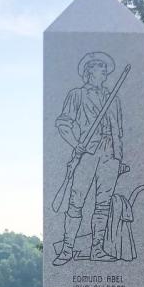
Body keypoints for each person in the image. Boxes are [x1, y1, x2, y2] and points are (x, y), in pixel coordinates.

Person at [53, 51, 124, 264]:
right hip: (87, 153)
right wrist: (77, 145)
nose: (103, 70)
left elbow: (118, 130)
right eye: (98, 66)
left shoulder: (114, 98)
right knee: (76, 202)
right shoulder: (77, 94)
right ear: (88, 71)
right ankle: (67, 249)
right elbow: (63, 124)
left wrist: (119, 158)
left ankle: (98, 249)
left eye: (104, 67)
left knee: (103, 204)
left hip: (109, 154)